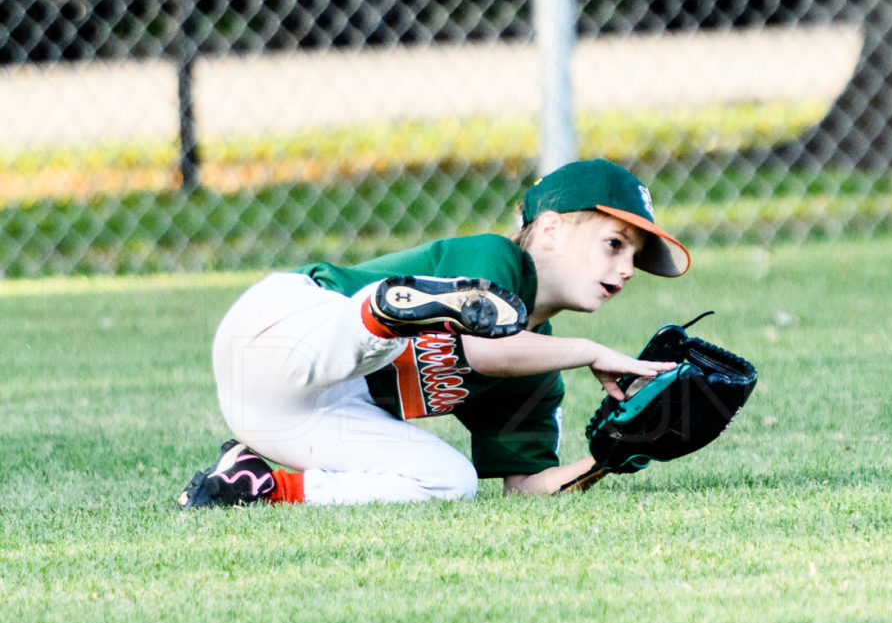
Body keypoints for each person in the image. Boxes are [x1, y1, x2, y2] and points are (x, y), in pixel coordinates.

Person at [178, 158, 690, 507]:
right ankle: (384, 311)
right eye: (614, 243)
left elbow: (527, 488)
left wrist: (616, 455)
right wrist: (588, 352)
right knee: (387, 338)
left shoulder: (537, 374)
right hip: (285, 327)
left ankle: (255, 486)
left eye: (634, 258)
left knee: (452, 483)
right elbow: (485, 351)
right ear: (551, 229)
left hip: (283, 412)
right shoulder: (494, 258)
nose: (626, 269)